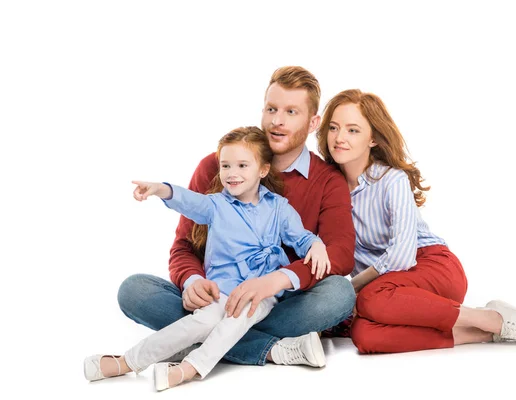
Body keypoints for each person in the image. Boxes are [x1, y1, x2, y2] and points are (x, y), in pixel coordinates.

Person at [116, 66, 356, 367]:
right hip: (218, 297)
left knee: (339, 294)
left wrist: (275, 281)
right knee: (134, 291)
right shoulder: (217, 167)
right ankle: (270, 349)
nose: (277, 121)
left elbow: (341, 254)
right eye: (271, 109)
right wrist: (192, 282)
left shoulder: (327, 180)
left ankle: (190, 340)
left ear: (313, 122)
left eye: (291, 112)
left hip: (279, 302)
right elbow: (184, 247)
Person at [85, 127, 332, 391]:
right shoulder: (215, 205)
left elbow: (301, 237)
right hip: (219, 291)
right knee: (199, 323)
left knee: (237, 320)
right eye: (225, 165)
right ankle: (127, 361)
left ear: (262, 170)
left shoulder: (279, 207)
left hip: (259, 293)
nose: (232, 173)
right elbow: (188, 201)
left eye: (242, 165)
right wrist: (160, 189)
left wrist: (316, 245)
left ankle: (188, 368)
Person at [316, 89, 516, 353]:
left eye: (353, 130)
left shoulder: (391, 180)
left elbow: (401, 258)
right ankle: (481, 334)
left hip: (432, 267)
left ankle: (492, 319)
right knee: (364, 335)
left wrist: (351, 289)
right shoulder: (329, 189)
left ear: (373, 138)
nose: (339, 138)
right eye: (334, 128)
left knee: (371, 300)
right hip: (391, 294)